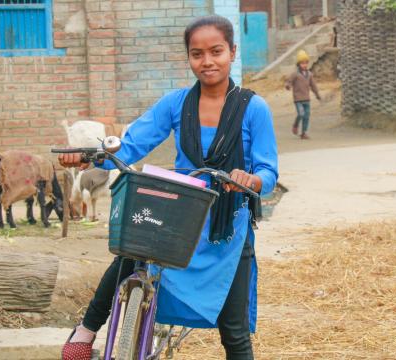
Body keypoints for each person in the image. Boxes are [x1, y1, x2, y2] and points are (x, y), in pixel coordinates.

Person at [58, 15, 278, 360]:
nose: (207, 62)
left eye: (216, 51)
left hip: (227, 228)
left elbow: (268, 170)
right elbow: (129, 146)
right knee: (129, 254)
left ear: (233, 52)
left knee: (233, 330)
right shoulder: (177, 104)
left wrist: (252, 179)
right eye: (197, 54)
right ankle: (85, 332)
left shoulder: (254, 108)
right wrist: (90, 157)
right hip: (179, 214)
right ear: (188, 57)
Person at [285, 49, 321, 140]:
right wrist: (288, 86)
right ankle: (296, 125)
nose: (304, 65)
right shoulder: (295, 74)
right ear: (298, 64)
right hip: (298, 99)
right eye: (302, 63)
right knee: (301, 114)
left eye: (306, 63)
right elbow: (289, 81)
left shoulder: (309, 74)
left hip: (306, 99)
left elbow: (313, 86)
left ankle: (304, 132)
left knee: (306, 115)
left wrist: (317, 95)